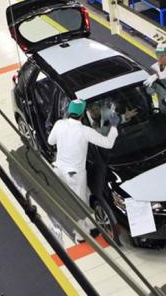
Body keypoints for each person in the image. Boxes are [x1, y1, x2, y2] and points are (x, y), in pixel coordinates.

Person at [48, 99, 119, 241]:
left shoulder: (59, 124)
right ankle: (80, 235)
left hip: (59, 170)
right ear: (82, 115)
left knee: (80, 198)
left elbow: (51, 142)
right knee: (79, 204)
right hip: (75, 174)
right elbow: (108, 143)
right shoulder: (84, 131)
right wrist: (114, 127)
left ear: (68, 112)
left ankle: (90, 225)